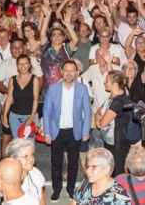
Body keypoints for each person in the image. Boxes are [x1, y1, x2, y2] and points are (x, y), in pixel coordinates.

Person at [43, 59, 91, 201]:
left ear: (77, 73)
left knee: (73, 163)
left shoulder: (82, 89)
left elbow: (87, 112)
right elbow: (47, 112)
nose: (69, 73)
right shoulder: (53, 89)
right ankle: (56, 189)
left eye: (72, 70)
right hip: (56, 131)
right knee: (56, 163)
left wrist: (85, 131)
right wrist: (46, 132)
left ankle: (71, 189)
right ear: (61, 72)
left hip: (74, 132)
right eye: (66, 70)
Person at [1, 54, 41, 142]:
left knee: (28, 145)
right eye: (20, 64)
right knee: (17, 144)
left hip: (29, 116)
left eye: (25, 63)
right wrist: (4, 116)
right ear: (17, 66)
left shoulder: (35, 79)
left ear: (29, 65)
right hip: (14, 116)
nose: (23, 66)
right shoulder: (13, 79)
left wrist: (32, 117)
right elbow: (9, 98)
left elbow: (35, 100)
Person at [1, 138, 47, 204]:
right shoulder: (2, 178)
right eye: (26, 156)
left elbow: (42, 199)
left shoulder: (36, 174)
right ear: (14, 159)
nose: (31, 159)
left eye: (32, 154)